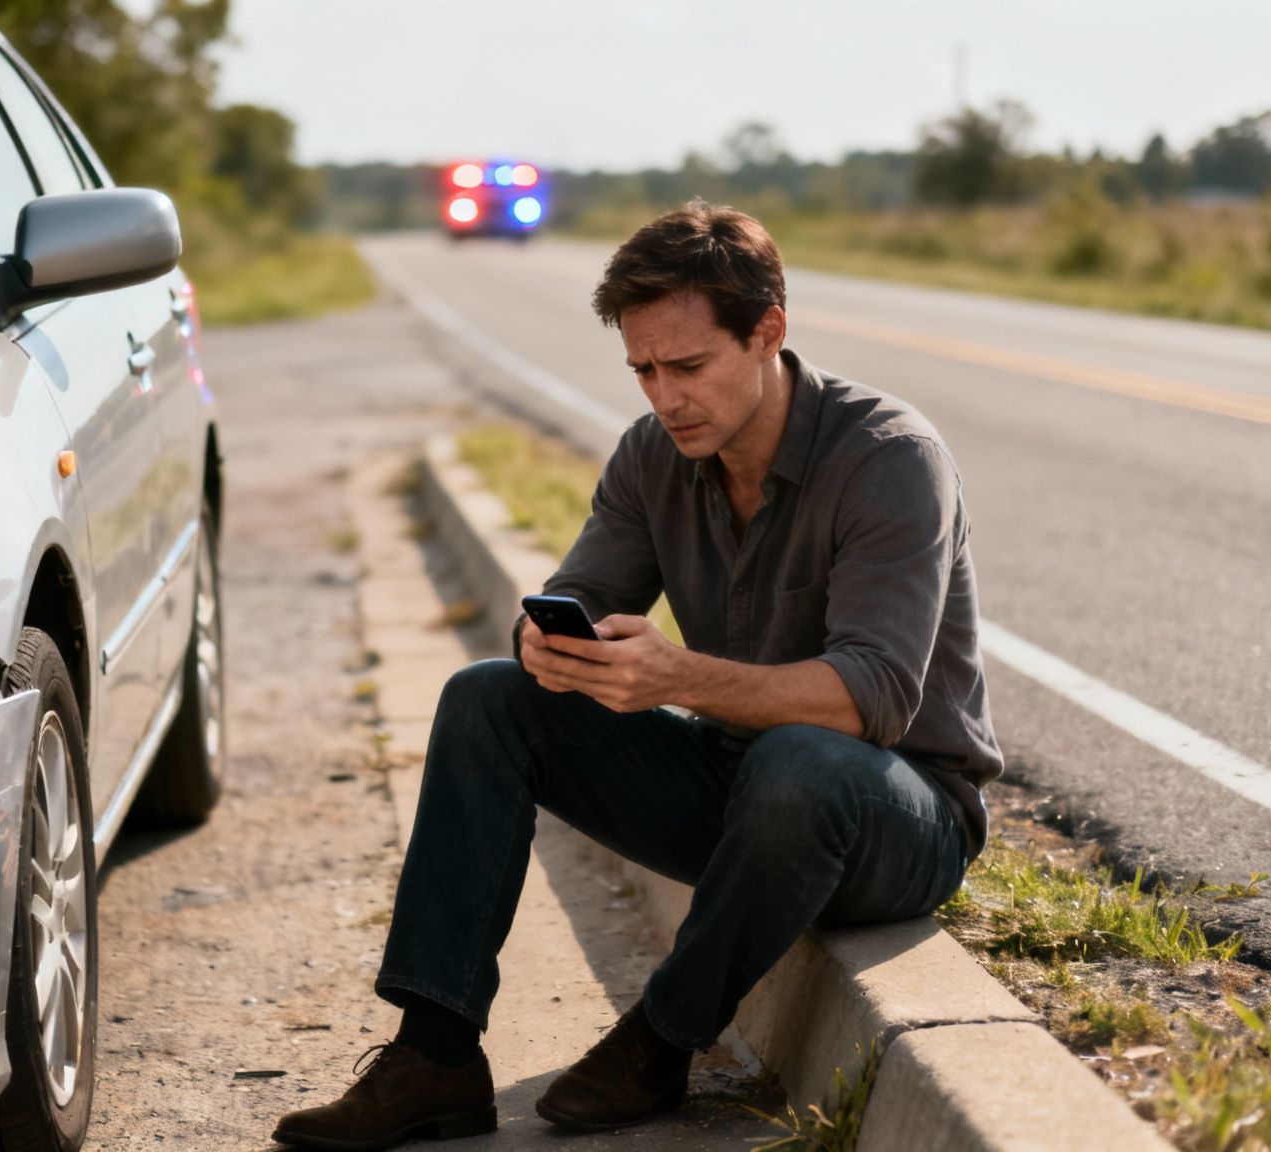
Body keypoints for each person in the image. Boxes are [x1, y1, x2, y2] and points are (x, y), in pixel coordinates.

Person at [273, 201, 1002, 1150]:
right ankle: (435, 1053)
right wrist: (550, 645)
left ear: (768, 332)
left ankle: (661, 1038)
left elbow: (871, 696)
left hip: (896, 816)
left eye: (688, 367)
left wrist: (674, 678)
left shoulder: (889, 459)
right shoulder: (654, 454)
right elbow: (572, 594)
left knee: (802, 763)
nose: (665, 397)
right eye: (644, 370)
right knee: (487, 696)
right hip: (741, 792)